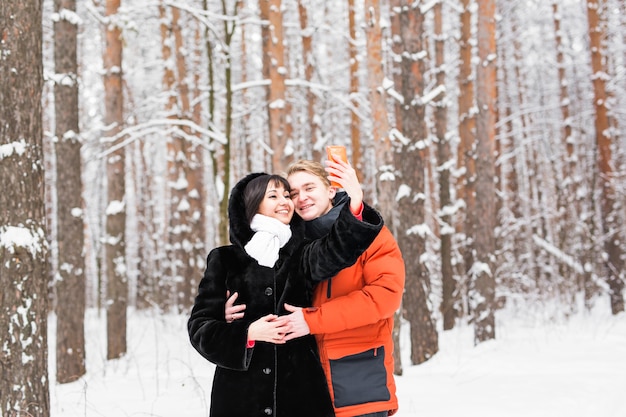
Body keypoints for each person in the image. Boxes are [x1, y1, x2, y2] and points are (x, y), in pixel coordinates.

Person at [188, 170, 385, 417]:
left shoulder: (302, 253)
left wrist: (355, 201)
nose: (285, 201)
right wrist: (247, 333)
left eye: (286, 195)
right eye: (273, 196)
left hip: (301, 394)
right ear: (252, 204)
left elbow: (339, 249)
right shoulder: (224, 259)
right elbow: (200, 328)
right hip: (240, 398)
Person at [227, 158, 406, 417]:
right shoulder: (286, 245)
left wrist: (313, 320)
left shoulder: (370, 233)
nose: (301, 198)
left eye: (310, 188)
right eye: (294, 193)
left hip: (359, 380)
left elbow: (384, 298)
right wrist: (228, 308)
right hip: (305, 391)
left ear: (331, 190)